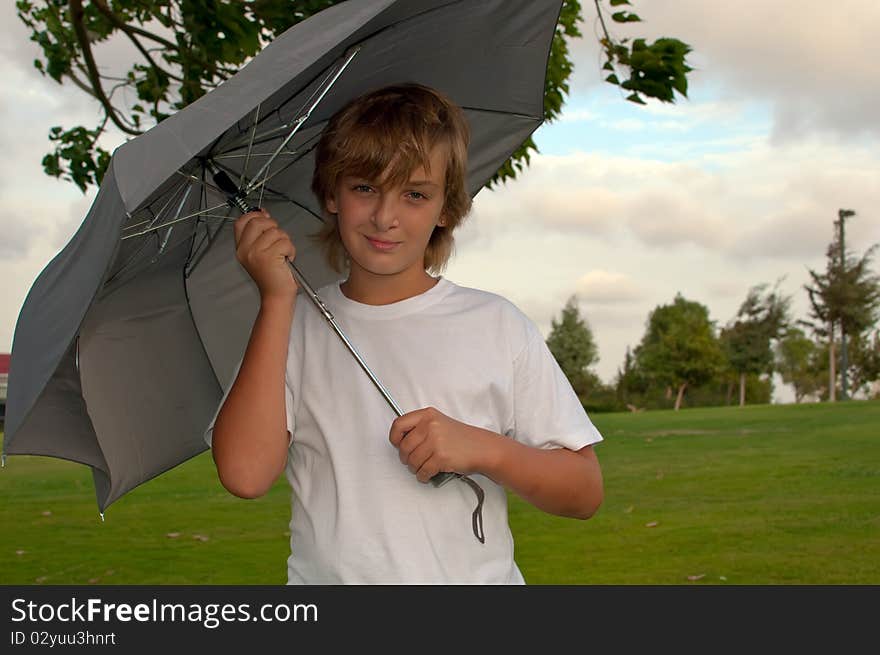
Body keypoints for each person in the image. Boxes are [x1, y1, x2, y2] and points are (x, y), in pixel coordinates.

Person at [206, 83, 604, 584]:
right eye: (364, 187)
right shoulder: (290, 325)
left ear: (446, 209)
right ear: (332, 193)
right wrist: (277, 300)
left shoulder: (496, 325)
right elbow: (244, 475)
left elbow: (584, 491)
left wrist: (484, 448)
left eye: (414, 194)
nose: (385, 217)